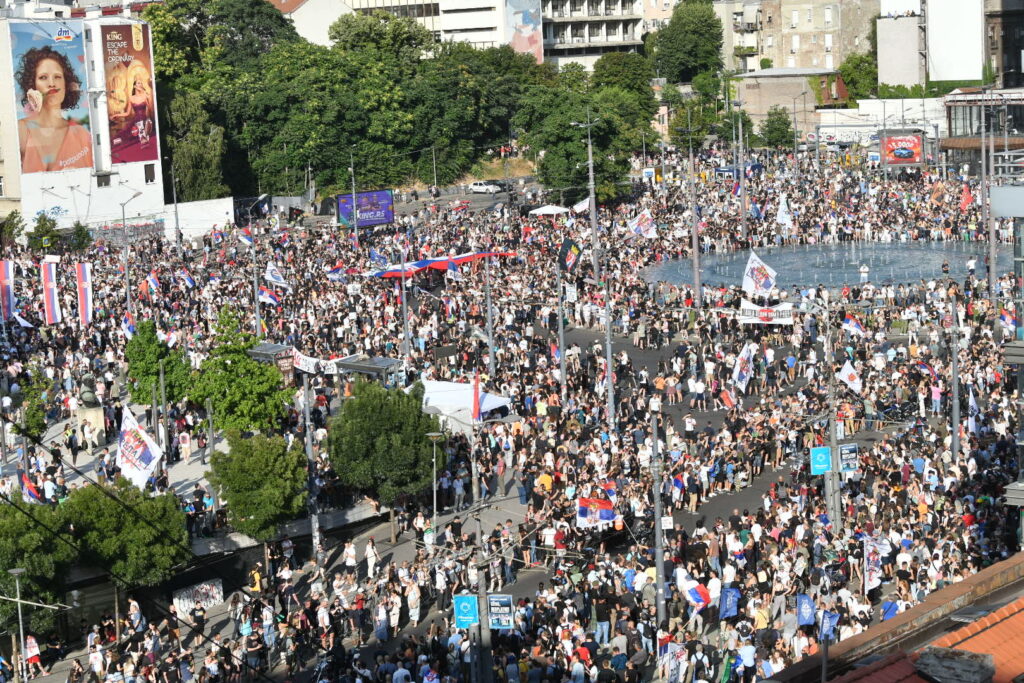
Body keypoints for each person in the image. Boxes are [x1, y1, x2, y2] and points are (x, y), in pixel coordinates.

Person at [14, 45, 93, 173]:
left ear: (66, 84)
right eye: (43, 77)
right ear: (32, 84)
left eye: (57, 77)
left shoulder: (82, 135)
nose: (52, 83)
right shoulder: (21, 130)